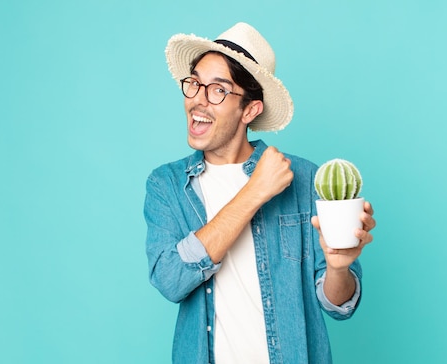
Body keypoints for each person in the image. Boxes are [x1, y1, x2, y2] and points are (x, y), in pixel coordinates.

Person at [144, 22, 376, 364]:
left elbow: (338, 306)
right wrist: (254, 192)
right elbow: (170, 280)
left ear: (250, 110)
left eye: (218, 90)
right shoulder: (166, 185)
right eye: (194, 84)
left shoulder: (304, 178)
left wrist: (338, 268)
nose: (197, 101)